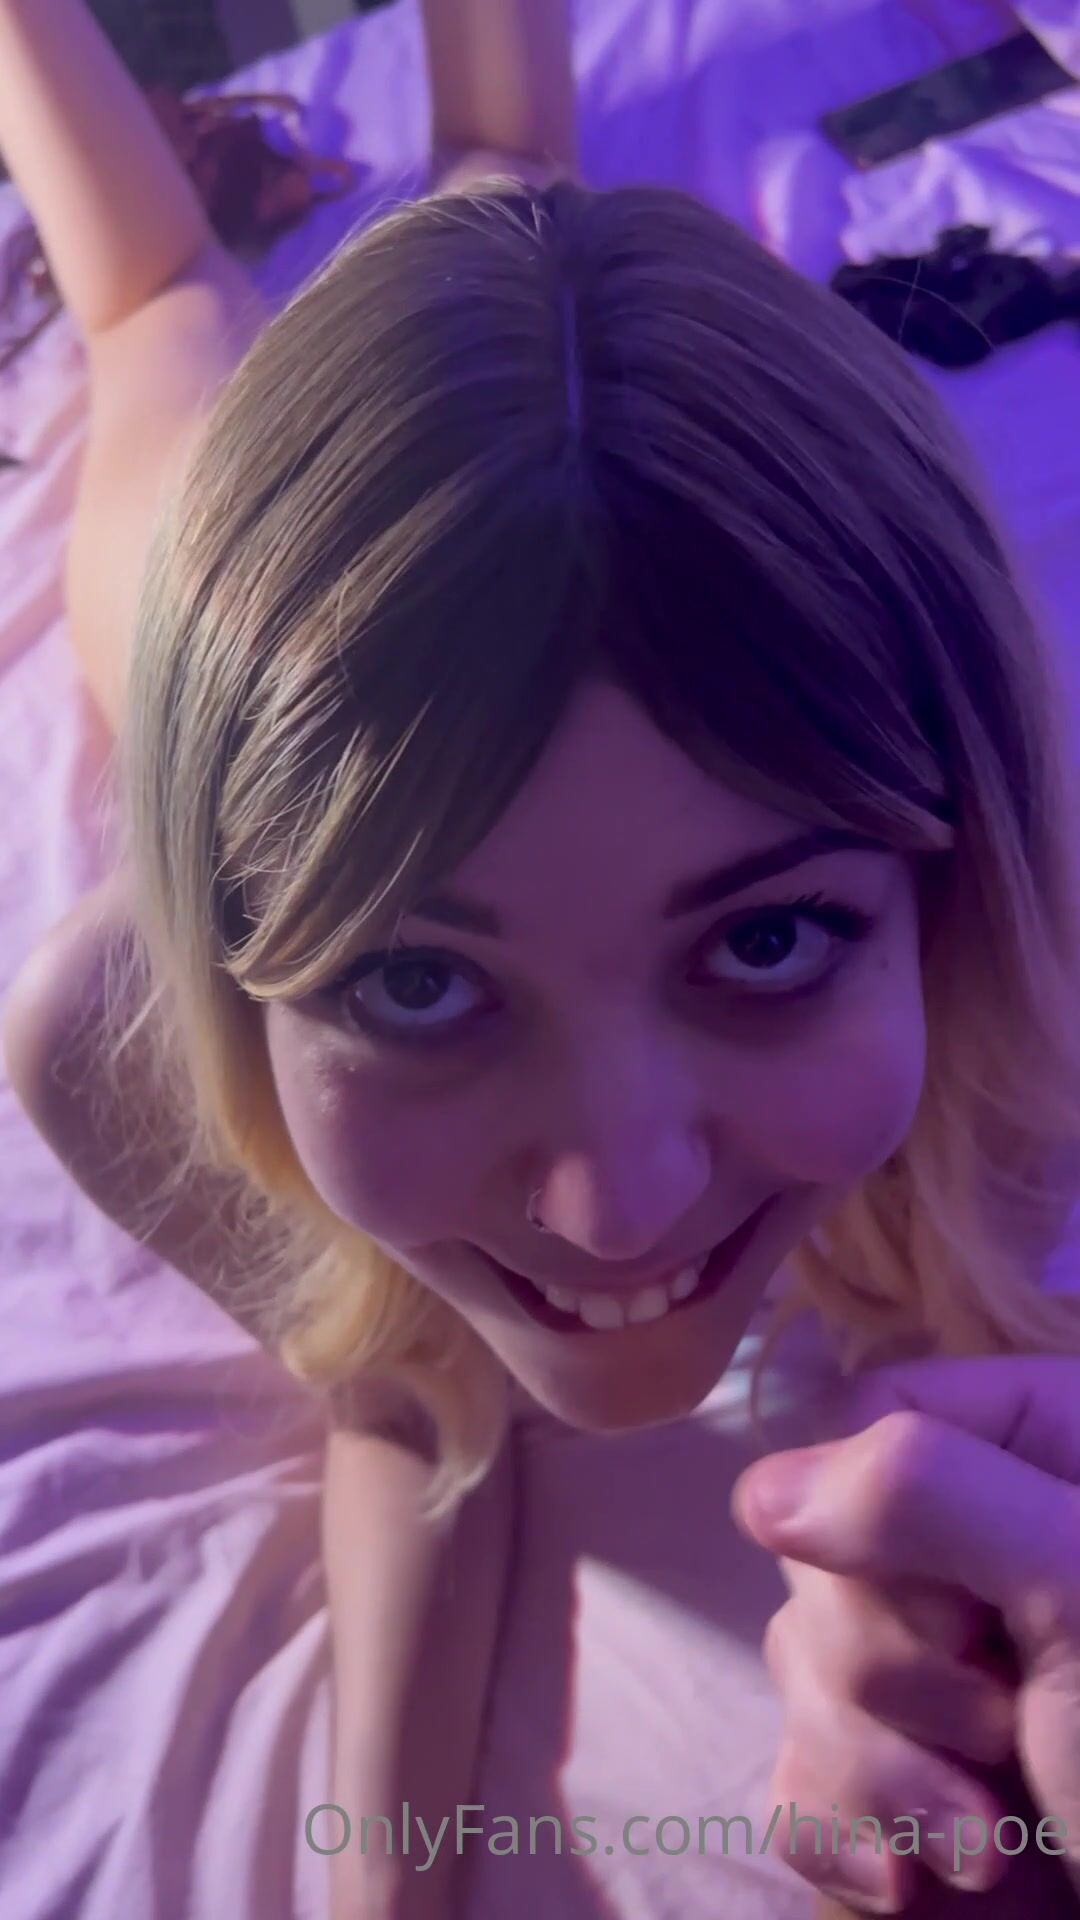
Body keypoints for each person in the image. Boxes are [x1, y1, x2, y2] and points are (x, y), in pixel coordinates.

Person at [3, 1, 1080, 1915]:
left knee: (511, 193)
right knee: (159, 297)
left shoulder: (1011, 971)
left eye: (765, 938)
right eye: (412, 982)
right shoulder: (108, 1035)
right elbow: (409, 1393)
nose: (618, 1205)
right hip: (185, 556)